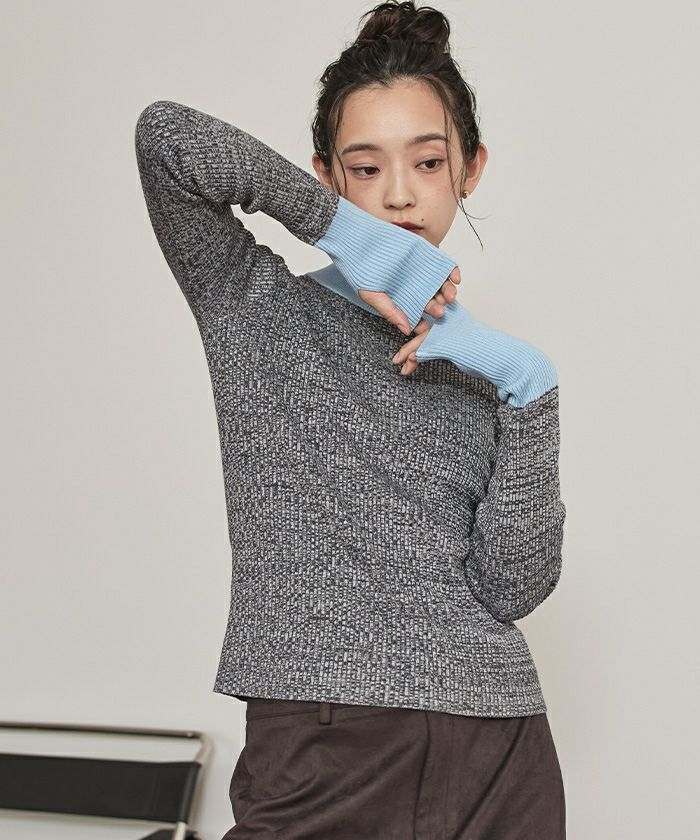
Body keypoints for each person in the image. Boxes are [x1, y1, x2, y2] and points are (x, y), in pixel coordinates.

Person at [134, 1, 567, 837]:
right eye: (365, 169)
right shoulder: (254, 306)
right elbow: (167, 139)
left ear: (470, 168)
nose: (400, 194)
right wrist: (342, 234)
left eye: (428, 162)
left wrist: (529, 385)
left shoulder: (485, 368)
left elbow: (511, 588)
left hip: (499, 743)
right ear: (325, 175)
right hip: (326, 740)